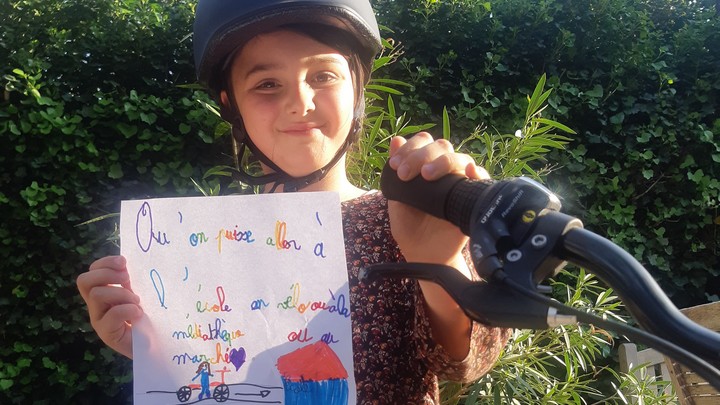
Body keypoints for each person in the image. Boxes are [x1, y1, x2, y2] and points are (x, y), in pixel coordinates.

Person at [76, 1, 511, 403]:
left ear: (358, 86)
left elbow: (465, 363)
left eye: (323, 76)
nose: (300, 103)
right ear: (231, 103)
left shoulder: (406, 214)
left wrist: (439, 265)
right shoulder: (198, 246)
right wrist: (153, 348)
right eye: (267, 83)